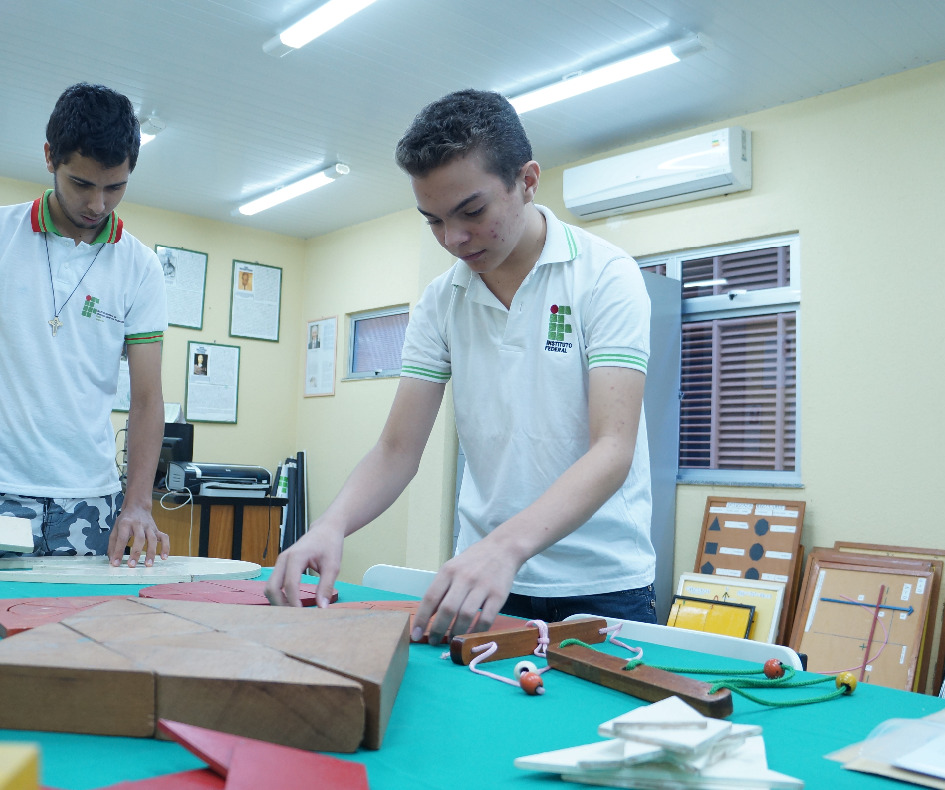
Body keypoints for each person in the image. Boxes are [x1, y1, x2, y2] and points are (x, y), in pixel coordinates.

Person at [267, 89, 655, 643]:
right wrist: (330, 525)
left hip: (599, 583)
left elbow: (612, 449)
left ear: (526, 181)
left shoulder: (603, 276)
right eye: (434, 221)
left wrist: (504, 547)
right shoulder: (441, 300)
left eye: (472, 212)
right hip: (480, 580)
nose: (454, 239)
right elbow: (397, 450)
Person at [0, 83, 170, 567]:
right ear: (49, 158)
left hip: (91, 500)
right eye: (82, 183)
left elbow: (146, 399)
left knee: (78, 638)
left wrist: (137, 500)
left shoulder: (141, 267)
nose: (97, 204)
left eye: (114, 187)